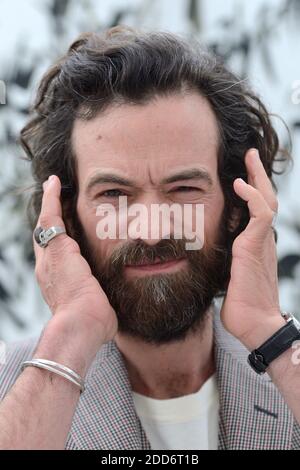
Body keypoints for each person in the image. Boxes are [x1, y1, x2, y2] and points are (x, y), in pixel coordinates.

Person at [0, 25, 299, 450]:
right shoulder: (10, 390)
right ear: (66, 215)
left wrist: (271, 334)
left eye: (184, 190)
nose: (152, 230)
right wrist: (71, 337)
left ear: (237, 208)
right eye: (114, 194)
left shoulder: (290, 370)